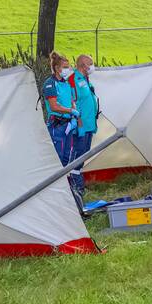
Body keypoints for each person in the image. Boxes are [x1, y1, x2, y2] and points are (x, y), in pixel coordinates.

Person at [41, 51, 82, 208]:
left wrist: (74, 116)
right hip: (57, 125)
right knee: (57, 159)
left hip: (68, 125)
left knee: (67, 159)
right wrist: (71, 112)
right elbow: (54, 106)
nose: (68, 69)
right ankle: (53, 194)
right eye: (65, 67)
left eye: (69, 66)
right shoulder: (50, 84)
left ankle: (65, 193)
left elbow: (72, 101)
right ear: (57, 68)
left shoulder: (66, 84)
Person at [67, 54, 99, 199]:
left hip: (89, 124)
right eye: (90, 63)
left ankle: (78, 186)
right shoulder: (73, 79)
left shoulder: (85, 79)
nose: (92, 66)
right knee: (78, 154)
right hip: (80, 125)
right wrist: (77, 118)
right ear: (82, 65)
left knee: (84, 152)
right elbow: (71, 101)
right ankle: (75, 186)